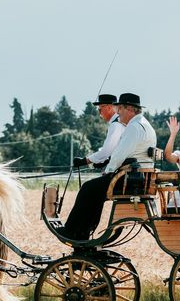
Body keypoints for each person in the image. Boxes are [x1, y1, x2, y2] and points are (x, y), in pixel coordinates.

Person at [59, 93, 157, 240]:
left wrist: (108, 171)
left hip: (129, 180)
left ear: (129, 108)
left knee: (88, 188)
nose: (118, 113)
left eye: (120, 109)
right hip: (138, 178)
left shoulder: (134, 127)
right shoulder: (146, 125)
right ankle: (84, 230)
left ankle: (72, 230)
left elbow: (119, 155)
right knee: (95, 192)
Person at [72, 94, 124, 169]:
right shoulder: (120, 122)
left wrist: (84, 161)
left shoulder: (116, 125)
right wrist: (106, 160)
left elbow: (105, 152)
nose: (99, 114)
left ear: (109, 107)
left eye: (100, 110)